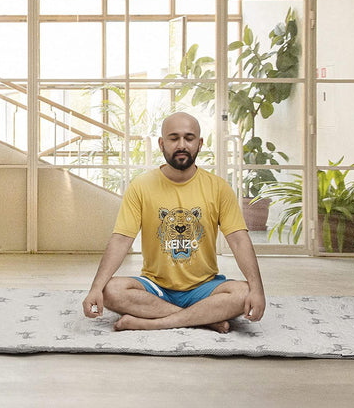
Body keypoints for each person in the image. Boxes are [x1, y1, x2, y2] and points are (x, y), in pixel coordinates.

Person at [82, 111, 266, 333]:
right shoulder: (141, 186)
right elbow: (121, 239)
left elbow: (238, 240)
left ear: (199, 144)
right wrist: (95, 288)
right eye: (173, 138)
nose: (182, 145)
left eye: (189, 138)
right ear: (161, 143)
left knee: (244, 293)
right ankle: (205, 319)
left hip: (205, 287)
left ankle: (154, 321)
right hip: (156, 286)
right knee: (109, 290)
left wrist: (257, 289)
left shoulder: (218, 187)